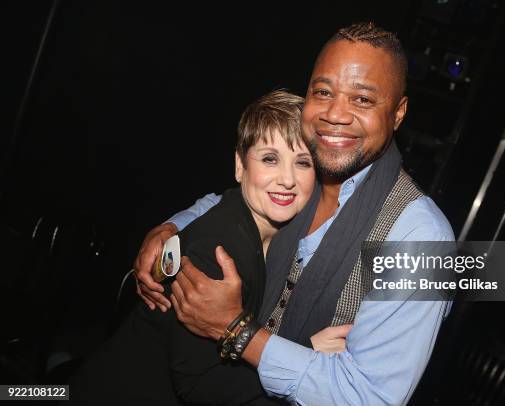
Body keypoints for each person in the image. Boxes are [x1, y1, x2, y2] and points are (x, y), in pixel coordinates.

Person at [136, 22, 454, 405]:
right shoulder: (306, 169)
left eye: (363, 100)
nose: (336, 114)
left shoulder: (421, 237)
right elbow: (234, 200)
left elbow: (369, 397)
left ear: (398, 113)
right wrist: (172, 229)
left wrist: (238, 332)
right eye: (323, 92)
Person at [70, 90, 347, 404]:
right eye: (270, 158)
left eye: (303, 162)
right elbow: (201, 388)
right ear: (240, 165)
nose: (287, 179)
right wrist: (306, 355)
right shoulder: (217, 250)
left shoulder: (271, 231)